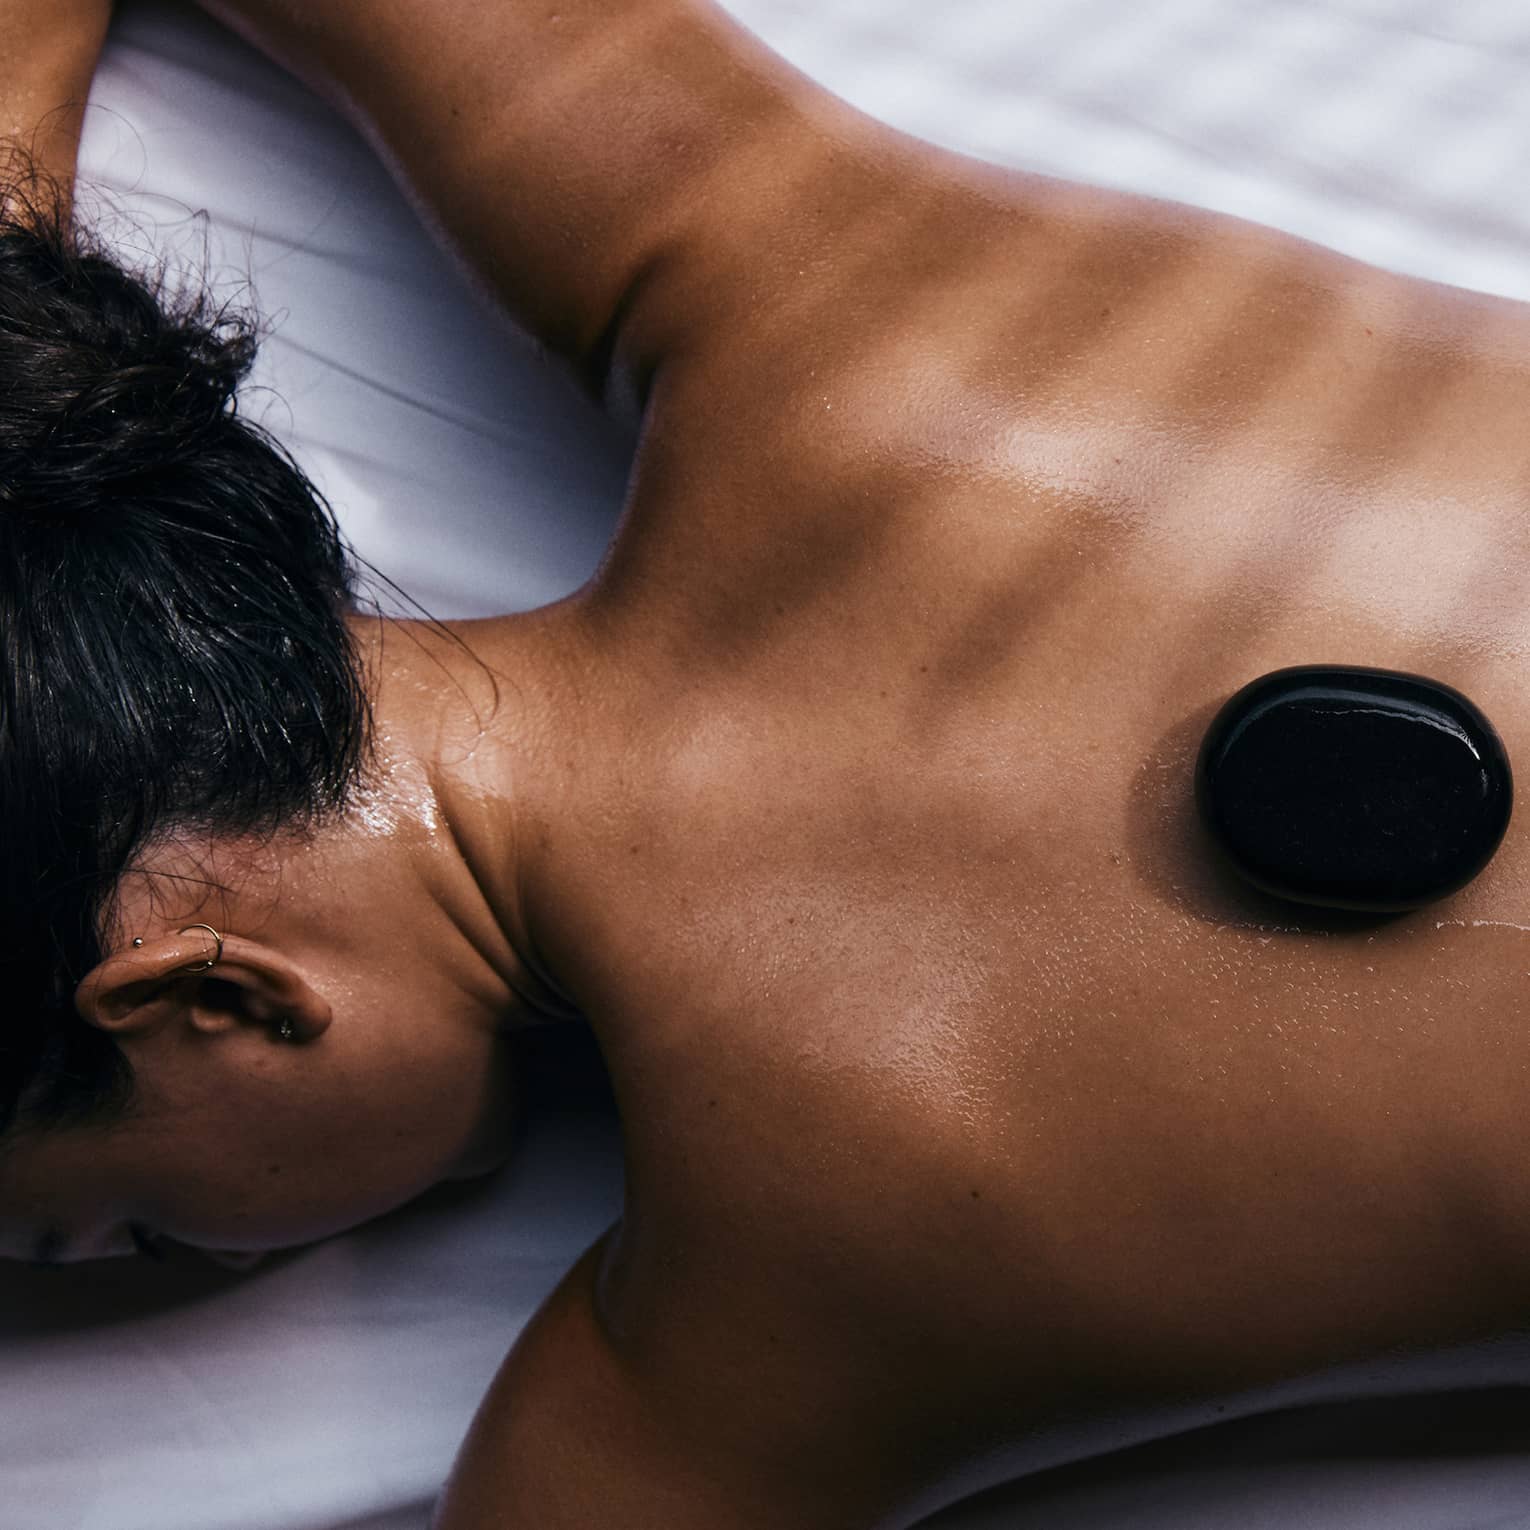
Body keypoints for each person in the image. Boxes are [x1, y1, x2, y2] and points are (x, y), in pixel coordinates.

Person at [4, 0, 1530, 1524]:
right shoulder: (827, 295)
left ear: (218, 996)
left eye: (123, 1229)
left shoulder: (766, 1342)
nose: (222, 1257)